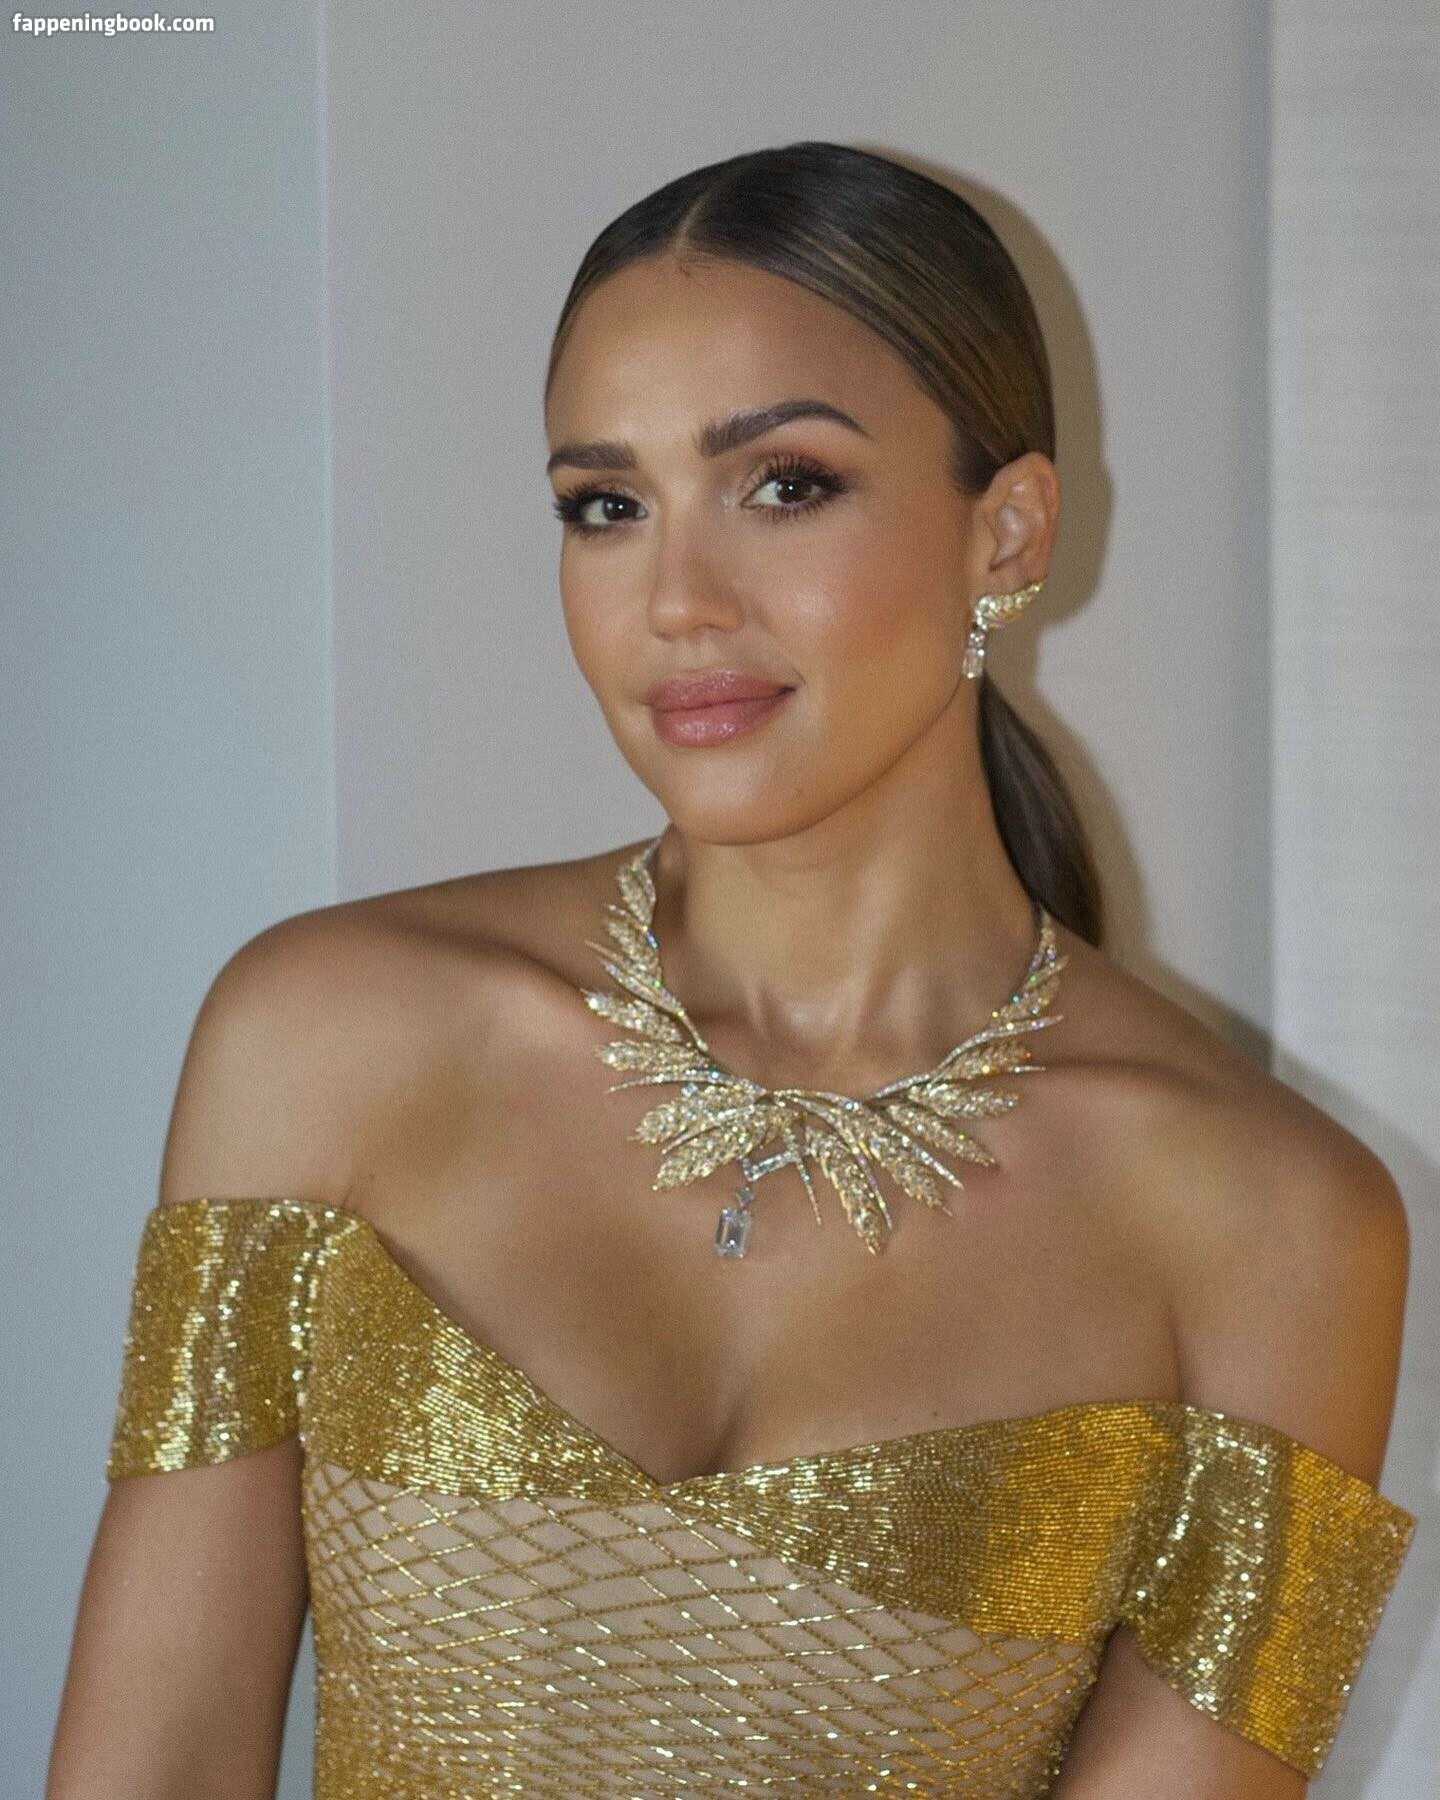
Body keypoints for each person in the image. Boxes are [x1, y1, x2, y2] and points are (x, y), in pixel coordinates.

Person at [49, 140, 1415, 1799]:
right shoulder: (322, 1041)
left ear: (1007, 532)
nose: (679, 603)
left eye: (784, 486)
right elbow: (156, 1755)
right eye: (607, 507)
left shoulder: (1276, 1225)